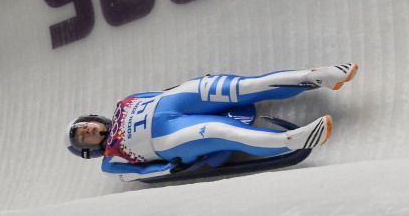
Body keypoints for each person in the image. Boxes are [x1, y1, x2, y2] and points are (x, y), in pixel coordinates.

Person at [66, 63, 359, 182]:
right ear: (86, 149)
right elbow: (142, 173)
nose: (87, 130)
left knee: (245, 86)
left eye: (84, 125)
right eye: (82, 137)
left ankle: (315, 76)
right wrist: (172, 167)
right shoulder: (109, 162)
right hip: (168, 139)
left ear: (93, 118)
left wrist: (191, 85)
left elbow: (160, 93)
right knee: (223, 132)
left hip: (178, 100)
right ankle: (291, 140)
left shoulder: (124, 103)